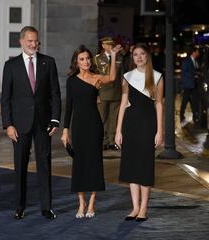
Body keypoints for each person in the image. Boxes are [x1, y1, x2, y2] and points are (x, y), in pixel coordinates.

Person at [1, 26, 61, 220]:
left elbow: (55, 94)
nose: (34, 44)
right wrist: (8, 124)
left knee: (45, 164)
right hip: (19, 125)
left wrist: (55, 119)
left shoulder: (48, 62)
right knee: (20, 166)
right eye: (30, 41)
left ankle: (46, 207)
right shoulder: (11, 66)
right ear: (21, 41)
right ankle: (19, 207)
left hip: (43, 123)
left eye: (36, 41)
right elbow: (6, 99)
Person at [61, 44, 121, 218]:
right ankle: (81, 203)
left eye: (88, 58)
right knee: (79, 163)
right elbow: (69, 107)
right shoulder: (71, 81)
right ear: (76, 62)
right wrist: (65, 131)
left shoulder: (96, 78)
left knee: (94, 163)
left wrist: (114, 56)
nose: (86, 61)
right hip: (78, 126)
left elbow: (112, 77)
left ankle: (92, 202)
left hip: (94, 125)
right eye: (82, 59)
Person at [115, 43, 163, 222]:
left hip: (148, 125)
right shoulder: (127, 77)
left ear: (147, 56)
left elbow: (158, 104)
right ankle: (135, 207)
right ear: (132, 57)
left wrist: (160, 131)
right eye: (136, 54)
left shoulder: (157, 77)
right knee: (131, 167)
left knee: (144, 166)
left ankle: (144, 208)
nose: (139, 57)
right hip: (130, 125)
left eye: (142, 54)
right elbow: (123, 104)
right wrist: (118, 130)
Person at [93, 37, 123, 151]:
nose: (110, 47)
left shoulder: (119, 58)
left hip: (116, 93)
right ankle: (102, 140)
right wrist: (96, 94)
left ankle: (111, 141)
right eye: (108, 45)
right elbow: (95, 78)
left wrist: (124, 93)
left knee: (113, 118)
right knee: (102, 118)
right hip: (103, 93)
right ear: (103, 46)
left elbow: (121, 77)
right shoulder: (97, 59)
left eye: (112, 45)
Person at [180, 46, 200, 125]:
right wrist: (194, 75)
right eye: (197, 51)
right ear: (194, 52)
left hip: (194, 85)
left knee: (194, 101)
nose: (198, 53)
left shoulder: (196, 61)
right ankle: (182, 116)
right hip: (188, 85)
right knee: (185, 101)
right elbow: (184, 73)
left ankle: (195, 117)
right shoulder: (186, 61)